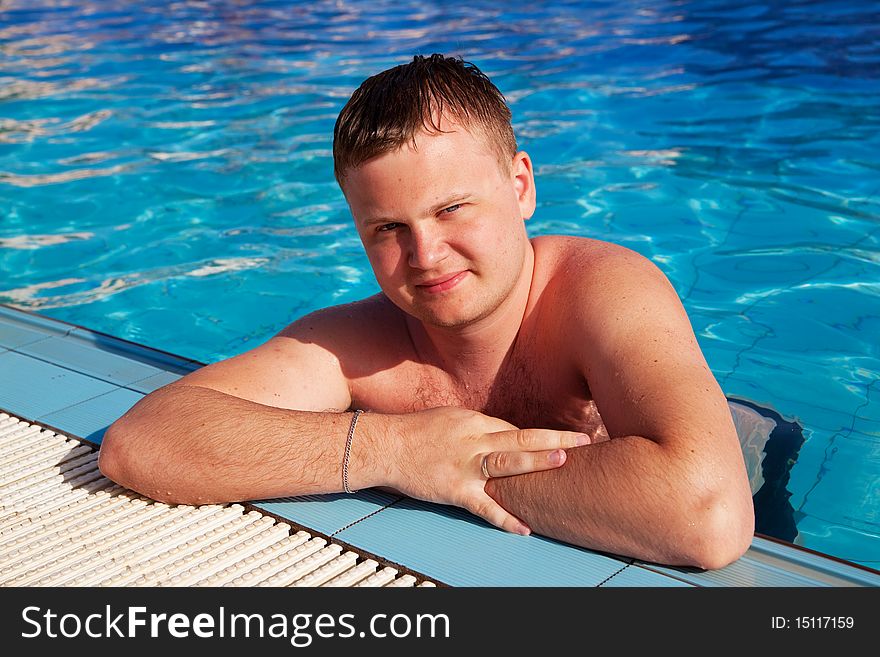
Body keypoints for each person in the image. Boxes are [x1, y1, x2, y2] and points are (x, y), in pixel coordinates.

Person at [98, 54, 754, 570]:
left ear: (521, 186)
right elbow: (141, 444)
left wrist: (459, 464)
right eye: (387, 228)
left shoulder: (600, 292)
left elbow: (709, 511)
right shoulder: (358, 344)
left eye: (450, 209)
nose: (426, 254)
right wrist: (394, 449)